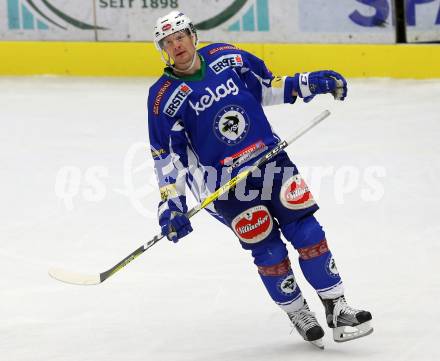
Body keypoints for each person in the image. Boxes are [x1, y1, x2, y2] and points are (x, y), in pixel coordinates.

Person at [147, 11, 373, 349]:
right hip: (224, 183)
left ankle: (337, 306)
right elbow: (167, 158)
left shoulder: (228, 57)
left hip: (270, 160)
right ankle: (298, 311)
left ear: (193, 36)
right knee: (267, 250)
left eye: (180, 36)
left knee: (307, 231)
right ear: (162, 49)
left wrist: (311, 82)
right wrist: (172, 204)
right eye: (168, 41)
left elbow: (268, 86)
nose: (176, 45)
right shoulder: (163, 97)